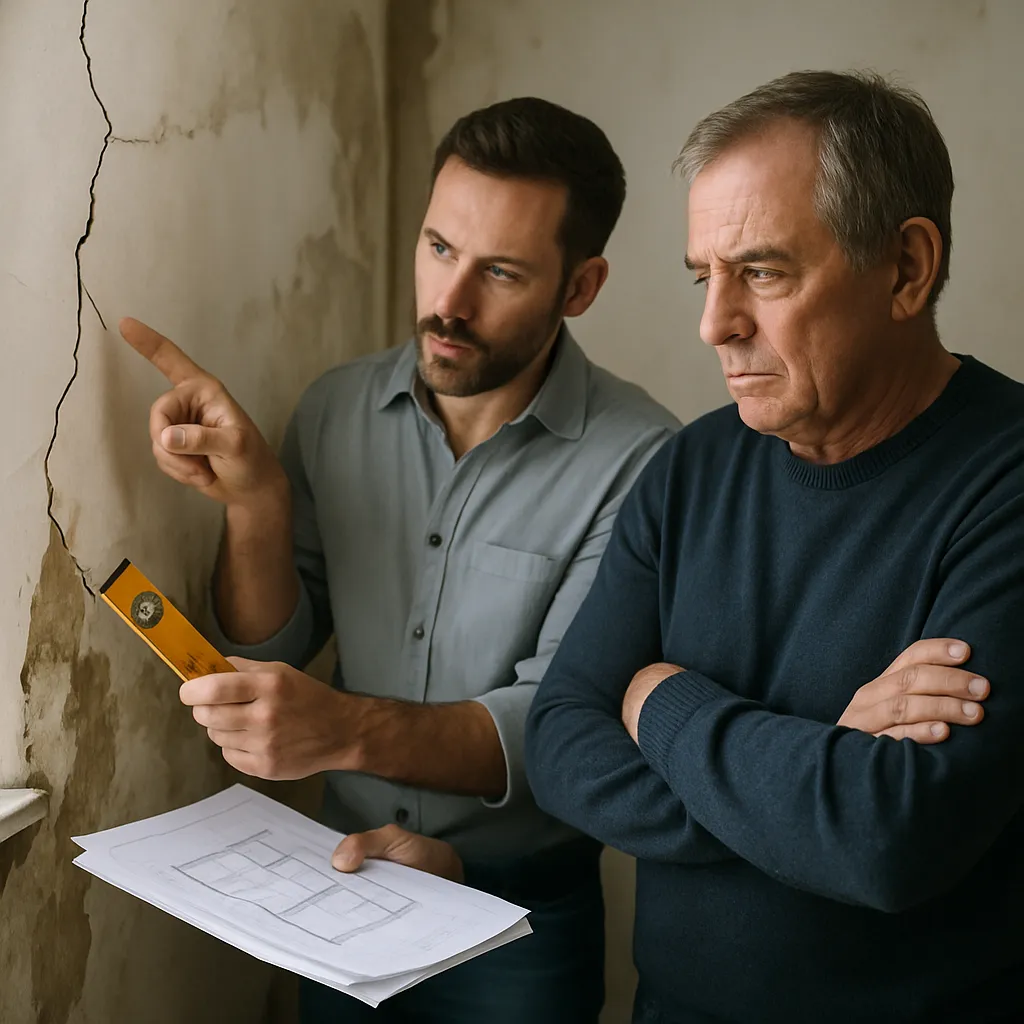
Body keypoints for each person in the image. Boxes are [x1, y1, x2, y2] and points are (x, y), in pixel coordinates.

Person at [120, 96, 681, 1023]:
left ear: (580, 287)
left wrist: (341, 729)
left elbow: (559, 722)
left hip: (521, 918)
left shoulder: (647, 460)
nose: (448, 304)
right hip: (340, 891)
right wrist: (258, 502)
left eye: (499, 271)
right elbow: (280, 640)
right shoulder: (335, 408)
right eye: (438, 249)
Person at [525, 71, 1024, 1024]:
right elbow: (560, 742)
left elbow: (888, 839)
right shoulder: (691, 468)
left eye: (763, 272)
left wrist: (660, 702)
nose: (716, 324)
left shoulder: (1006, 482)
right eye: (703, 277)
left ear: (907, 269)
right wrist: (821, 767)